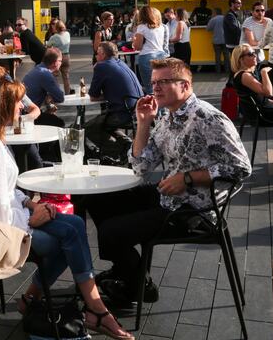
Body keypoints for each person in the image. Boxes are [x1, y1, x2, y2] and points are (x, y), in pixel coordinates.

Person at [0, 73, 134, 339]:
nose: (22, 108)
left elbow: (4, 191)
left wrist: (29, 203)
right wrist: (30, 218)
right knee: (69, 238)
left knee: (73, 226)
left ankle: (47, 302)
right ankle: (95, 310)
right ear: (2, 106)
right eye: (16, 103)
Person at [85, 58, 251, 303]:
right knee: (99, 200)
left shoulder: (208, 118)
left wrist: (188, 178)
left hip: (195, 210)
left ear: (184, 85)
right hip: (168, 196)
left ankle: (135, 284)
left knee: (112, 232)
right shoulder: (167, 116)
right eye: (153, 82)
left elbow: (241, 168)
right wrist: (143, 123)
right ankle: (133, 276)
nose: (156, 88)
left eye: (163, 82)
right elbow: (141, 165)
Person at [86, 42, 143, 162]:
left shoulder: (101, 66)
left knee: (89, 127)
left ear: (102, 54)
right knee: (103, 124)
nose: (96, 56)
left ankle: (120, 149)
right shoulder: (121, 63)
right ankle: (127, 144)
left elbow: (93, 96)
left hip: (124, 113)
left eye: (97, 54)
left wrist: (104, 95)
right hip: (136, 110)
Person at [22, 48, 65, 128]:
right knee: (59, 123)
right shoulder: (45, 74)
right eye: (60, 61)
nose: (61, 63)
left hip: (24, 111)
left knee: (51, 117)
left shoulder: (38, 68)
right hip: (27, 116)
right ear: (55, 62)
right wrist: (54, 78)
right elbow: (60, 97)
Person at [133, 6, 169, 94]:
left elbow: (138, 46)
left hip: (146, 57)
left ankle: (154, 106)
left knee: (150, 87)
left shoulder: (142, 27)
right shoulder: (162, 27)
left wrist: (134, 40)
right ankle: (162, 106)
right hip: (161, 55)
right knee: (161, 84)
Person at [46, 19, 72, 93]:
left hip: (58, 57)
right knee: (66, 76)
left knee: (55, 76)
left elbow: (48, 46)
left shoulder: (54, 37)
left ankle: (57, 93)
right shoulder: (67, 34)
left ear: (56, 27)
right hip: (67, 56)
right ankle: (68, 93)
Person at [223, 0, 243, 66]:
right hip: (233, 44)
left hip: (233, 43)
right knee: (236, 64)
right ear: (232, 4)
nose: (240, 5)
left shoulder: (233, 15)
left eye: (240, 3)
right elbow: (235, 29)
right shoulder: (230, 15)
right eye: (238, 3)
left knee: (236, 63)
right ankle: (234, 76)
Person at [206, 8, 227, 73]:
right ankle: (227, 70)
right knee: (227, 56)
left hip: (216, 40)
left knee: (217, 56)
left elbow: (208, 29)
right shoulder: (225, 18)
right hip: (225, 40)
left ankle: (218, 71)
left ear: (215, 13)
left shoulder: (213, 19)